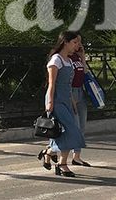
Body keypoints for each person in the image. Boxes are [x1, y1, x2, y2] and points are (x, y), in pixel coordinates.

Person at [41, 30, 85, 177]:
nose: (77, 45)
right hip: (56, 99)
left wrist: (72, 101)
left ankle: (54, 157)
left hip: (67, 99)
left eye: (77, 42)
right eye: (74, 42)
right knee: (71, 131)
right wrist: (50, 103)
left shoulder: (69, 60)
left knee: (64, 133)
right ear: (65, 42)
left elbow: (68, 84)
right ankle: (61, 163)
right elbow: (52, 84)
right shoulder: (56, 60)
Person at [70, 40, 91, 167]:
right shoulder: (62, 57)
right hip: (70, 92)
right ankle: (50, 151)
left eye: (80, 42)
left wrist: (82, 57)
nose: (79, 45)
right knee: (70, 126)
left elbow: (85, 72)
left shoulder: (77, 56)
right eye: (76, 42)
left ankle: (76, 156)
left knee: (81, 126)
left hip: (80, 91)